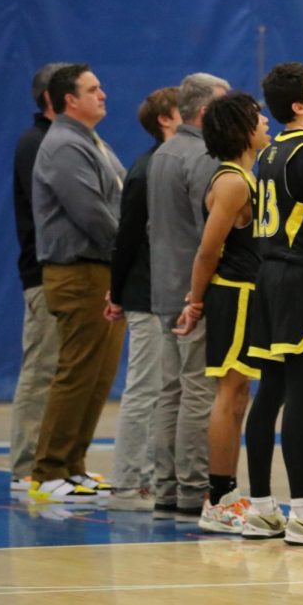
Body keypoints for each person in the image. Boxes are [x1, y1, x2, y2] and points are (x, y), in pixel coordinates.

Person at [242, 62, 303, 543]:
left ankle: (261, 505)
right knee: (302, 394)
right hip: (301, 278)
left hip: (267, 277)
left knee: (271, 391)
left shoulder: (270, 153)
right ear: (300, 105)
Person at [27, 64, 127, 502]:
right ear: (70, 99)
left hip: (99, 270)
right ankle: (47, 470)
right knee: (76, 372)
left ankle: (73, 465)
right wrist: (127, 258)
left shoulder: (90, 140)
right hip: (78, 270)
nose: (103, 94)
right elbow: (91, 214)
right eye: (93, 89)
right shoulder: (65, 145)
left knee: (98, 373)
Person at [174, 92, 269, 533]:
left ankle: (227, 493)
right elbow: (208, 250)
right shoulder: (232, 182)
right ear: (241, 130)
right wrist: (195, 301)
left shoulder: (248, 177)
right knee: (228, 396)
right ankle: (218, 497)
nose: (266, 122)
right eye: (257, 118)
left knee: (238, 396)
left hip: (247, 294)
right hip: (233, 295)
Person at [148, 72, 231, 516]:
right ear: (205, 112)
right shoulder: (201, 155)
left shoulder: (163, 151)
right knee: (198, 391)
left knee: (171, 391)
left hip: (164, 286)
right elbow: (212, 231)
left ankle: (166, 485)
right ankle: (194, 486)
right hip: (191, 292)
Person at [106, 86, 181, 510]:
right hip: (145, 293)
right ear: (166, 120)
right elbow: (127, 236)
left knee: (166, 389)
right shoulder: (148, 168)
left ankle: (154, 477)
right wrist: (118, 292)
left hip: (167, 293)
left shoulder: (174, 163)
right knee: (144, 388)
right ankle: (125, 483)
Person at [9, 63, 68, 493]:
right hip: (46, 272)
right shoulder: (38, 144)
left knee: (63, 369)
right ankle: (26, 462)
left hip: (68, 273)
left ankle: (58, 461)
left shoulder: (69, 141)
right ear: (54, 98)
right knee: (42, 367)